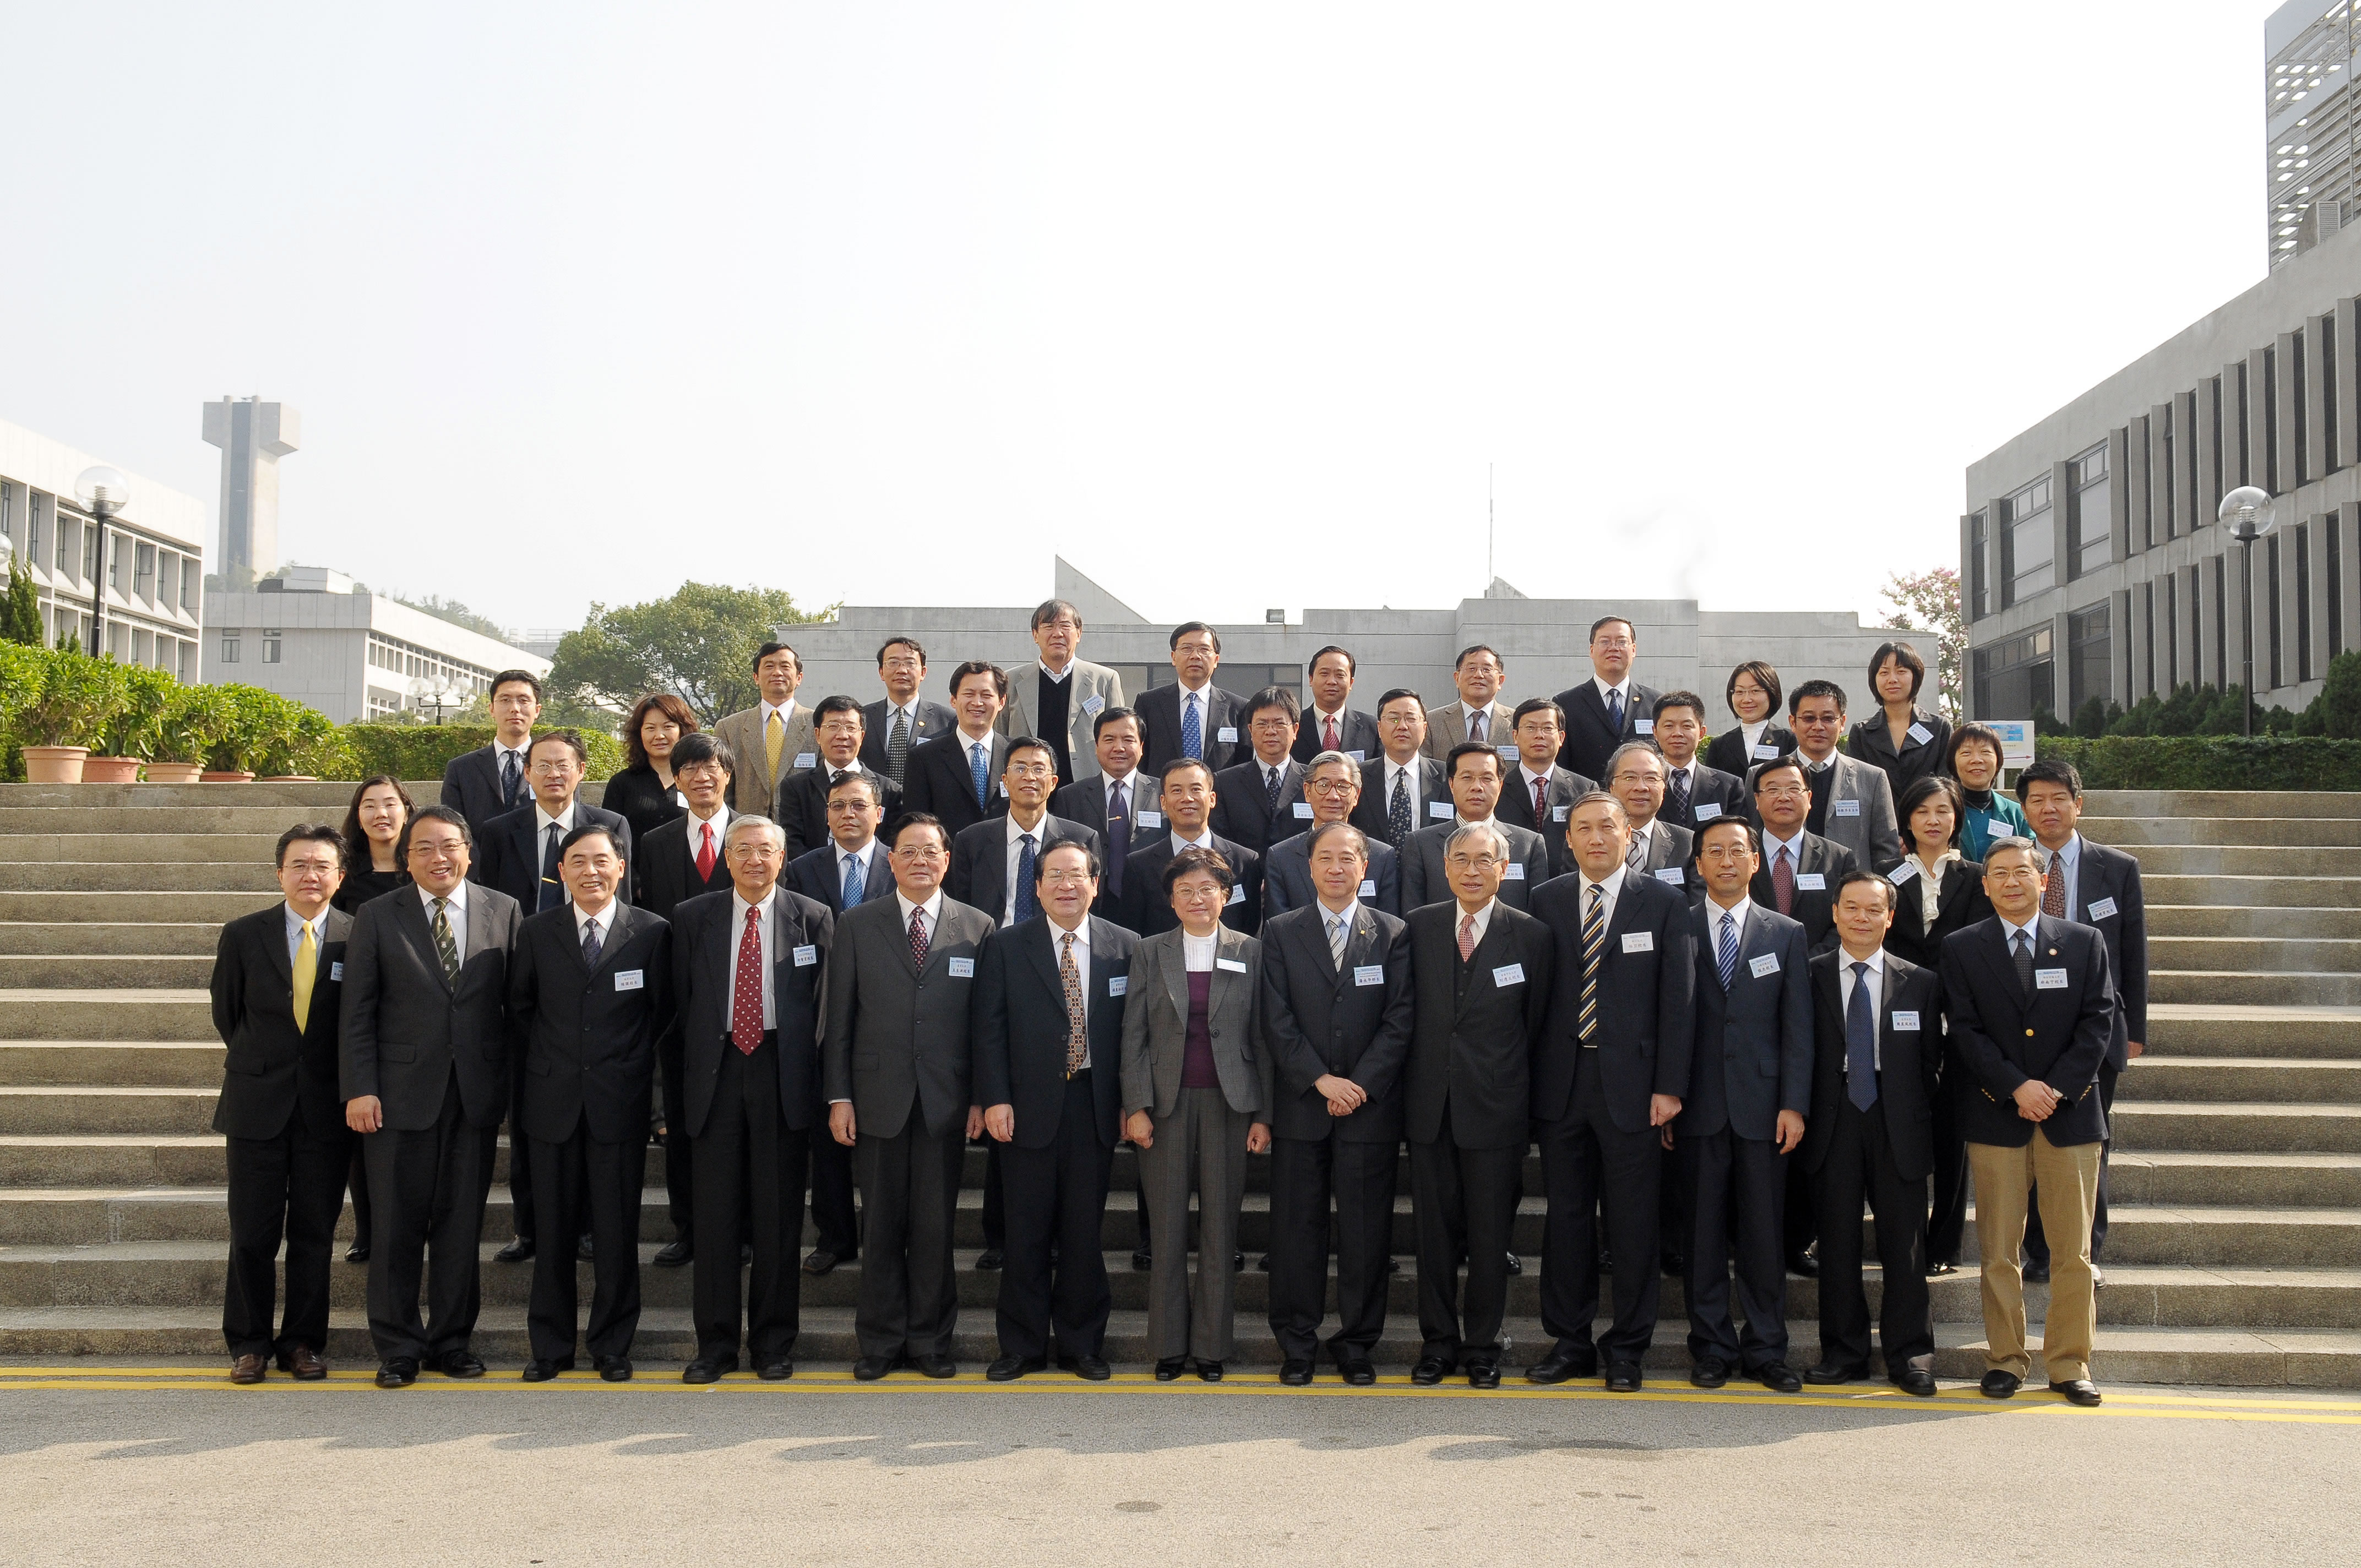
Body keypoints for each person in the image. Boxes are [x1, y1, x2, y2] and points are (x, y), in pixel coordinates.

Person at [340, 804, 524, 1389]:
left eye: (448, 846)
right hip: (396, 1097)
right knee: (395, 1225)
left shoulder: (504, 910)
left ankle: (452, 1340)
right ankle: (397, 1346)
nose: (438, 858)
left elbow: (515, 1010)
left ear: (468, 851)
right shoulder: (376, 914)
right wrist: (360, 1087)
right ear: (406, 857)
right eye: (423, 848)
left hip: (473, 1096)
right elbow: (357, 1012)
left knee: (459, 1224)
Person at [1527, 792, 1696, 1391]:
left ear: (1630, 834)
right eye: (1583, 828)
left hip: (1635, 1089)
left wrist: (1670, 1088)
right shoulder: (1544, 899)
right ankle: (1569, 1341)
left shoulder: (1665, 901)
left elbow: (1679, 1001)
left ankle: (1627, 1347)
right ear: (1567, 839)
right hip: (1561, 1086)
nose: (1596, 837)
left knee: (1631, 1223)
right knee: (1566, 1220)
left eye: (1607, 827)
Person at [1940, 837, 2117, 1407]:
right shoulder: (1963, 947)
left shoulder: (2084, 942)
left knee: (2073, 1252)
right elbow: (1964, 1030)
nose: (2011, 881)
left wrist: (2055, 1089)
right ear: (1985, 884)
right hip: (1997, 1115)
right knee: (1997, 1249)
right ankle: (2005, 1359)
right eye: (1999, 874)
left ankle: (2069, 1363)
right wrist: (2015, 1086)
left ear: (2044, 881)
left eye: (2022, 872)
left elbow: (2098, 1023)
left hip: (2070, 1119)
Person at [824, 814, 994, 1379]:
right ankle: (878, 1342)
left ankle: (929, 1342)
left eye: (931, 851)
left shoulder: (977, 926)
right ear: (890, 860)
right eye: (909, 851)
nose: (920, 860)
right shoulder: (856, 923)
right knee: (880, 1227)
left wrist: (979, 1096)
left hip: (946, 1103)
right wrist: (839, 1097)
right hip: (875, 1098)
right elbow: (838, 1020)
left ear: (947, 860)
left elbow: (983, 1025)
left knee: (934, 1228)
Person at [671, 816, 836, 1382]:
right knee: (715, 1219)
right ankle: (714, 1345)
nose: (753, 860)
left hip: (780, 1073)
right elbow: (679, 1010)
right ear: (727, 857)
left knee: (778, 1217)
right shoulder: (693, 918)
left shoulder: (812, 917)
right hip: (714, 1076)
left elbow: (824, 1011)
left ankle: (772, 1342)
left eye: (765, 850)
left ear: (783, 855)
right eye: (742, 849)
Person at [507, 824, 670, 1382]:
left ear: (621, 867)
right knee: (551, 1232)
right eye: (578, 861)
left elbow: (662, 1020)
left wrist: (653, 1102)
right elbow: (521, 1013)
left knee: (617, 1232)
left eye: (602, 860)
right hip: (551, 1105)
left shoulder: (651, 932)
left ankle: (611, 1345)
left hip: (618, 1104)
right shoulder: (535, 932)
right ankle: (549, 1346)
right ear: (561, 871)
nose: (591, 871)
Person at [1258, 821, 1414, 1385]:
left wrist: (1360, 1084)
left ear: (1364, 867)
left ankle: (1356, 1343)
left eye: (1349, 858)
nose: (1337, 868)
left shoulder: (1393, 932)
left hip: (1369, 1110)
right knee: (1295, 1232)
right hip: (1303, 1105)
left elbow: (1400, 1020)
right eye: (1326, 858)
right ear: (1309, 866)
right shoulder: (1280, 931)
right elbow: (1274, 1018)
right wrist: (1320, 1079)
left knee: (1366, 1233)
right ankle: (1297, 1343)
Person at [975, 841, 1138, 1380]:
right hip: (1025, 1107)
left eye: (1077, 875)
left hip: (1093, 1105)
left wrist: (1128, 1103)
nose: (1067, 885)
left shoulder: (1125, 946)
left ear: (1095, 883)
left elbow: (1134, 1037)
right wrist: (995, 1096)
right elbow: (989, 1028)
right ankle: (1020, 1346)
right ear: (1038, 887)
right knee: (1024, 1232)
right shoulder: (1006, 945)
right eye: (1054, 876)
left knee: (1083, 1233)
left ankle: (1081, 1344)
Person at [1403, 822, 1552, 1388]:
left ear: (1503, 868)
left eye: (1483, 860)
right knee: (1433, 1237)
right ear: (1445, 869)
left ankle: (1482, 1346)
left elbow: (1534, 1025)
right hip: (1429, 1108)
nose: (1471, 869)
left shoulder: (1531, 936)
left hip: (1496, 1109)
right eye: (1460, 859)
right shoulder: (1417, 928)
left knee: (1490, 1238)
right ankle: (1437, 1344)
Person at [476, 729, 632, 1265]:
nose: (553, 774)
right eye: (542, 765)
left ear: (582, 769)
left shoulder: (610, 828)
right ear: (527, 772)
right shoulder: (499, 832)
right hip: (521, 987)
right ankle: (529, 1227)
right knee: (529, 1117)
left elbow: (623, 913)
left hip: (591, 984)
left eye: (563, 764)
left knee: (589, 1120)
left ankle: (587, 1226)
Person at [1120, 848, 1270, 1382]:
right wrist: (1135, 1106)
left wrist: (1262, 1114)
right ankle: (1167, 1347)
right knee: (1165, 1231)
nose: (1196, 898)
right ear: (1171, 899)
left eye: (1207, 888)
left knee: (1219, 1232)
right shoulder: (1149, 951)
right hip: (1165, 1107)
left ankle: (1210, 1348)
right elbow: (1133, 1034)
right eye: (1185, 890)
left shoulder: (1251, 950)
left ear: (1226, 895)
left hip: (1231, 1106)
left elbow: (1263, 1036)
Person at [211, 824, 353, 1384]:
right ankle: (248, 1342)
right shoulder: (244, 934)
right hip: (256, 1103)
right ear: (280, 873)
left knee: (315, 1233)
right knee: (252, 1231)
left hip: (325, 1109)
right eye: (299, 865)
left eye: (322, 866)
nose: (310, 875)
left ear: (340, 876)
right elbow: (228, 1014)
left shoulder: (357, 935)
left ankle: (302, 1342)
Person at [1676, 816, 1811, 1393]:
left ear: (1756, 861)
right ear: (1699, 865)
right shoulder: (1674, 926)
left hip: (1764, 1108)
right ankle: (1709, 1346)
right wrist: (1669, 1098)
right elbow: (1667, 1022)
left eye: (1738, 851)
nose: (1727, 861)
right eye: (1715, 852)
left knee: (1762, 1235)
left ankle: (1765, 1347)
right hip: (1697, 1106)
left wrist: (1794, 1103)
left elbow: (1798, 1026)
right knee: (1702, 1236)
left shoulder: (1786, 932)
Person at [1802, 870, 1944, 1397]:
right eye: (1852, 908)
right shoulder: (1809, 975)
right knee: (1837, 1242)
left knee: (1904, 1246)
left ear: (1890, 917)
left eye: (1873, 910)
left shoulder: (1920, 982)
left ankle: (1911, 1356)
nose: (1862, 919)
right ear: (1835, 913)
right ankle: (1843, 1353)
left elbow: (1932, 1062)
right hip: (1833, 1117)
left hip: (1897, 1120)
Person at [2016, 758, 2147, 1287]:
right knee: (2029, 1143)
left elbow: (2132, 953)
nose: (2048, 809)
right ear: (2023, 810)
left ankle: (2085, 1253)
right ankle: (2040, 1252)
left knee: (2091, 1144)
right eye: (2036, 800)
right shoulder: (2007, 866)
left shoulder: (2116, 868)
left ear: (2078, 803)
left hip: (2097, 1028)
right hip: (2026, 1025)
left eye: (2058, 798)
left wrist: (2134, 1029)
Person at [633, 732, 738, 1271]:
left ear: (727, 774)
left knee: (737, 1128)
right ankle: (687, 1228)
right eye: (689, 769)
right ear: (676, 779)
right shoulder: (654, 843)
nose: (701, 778)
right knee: (681, 1122)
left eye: (711, 768)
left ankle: (738, 1232)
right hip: (679, 1008)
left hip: (742, 1006)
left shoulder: (754, 836)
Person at [780, 769, 890, 1276]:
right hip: (824, 1016)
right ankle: (834, 1236)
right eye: (839, 806)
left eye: (859, 805)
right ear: (826, 815)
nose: (849, 814)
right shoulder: (803, 869)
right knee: (828, 1139)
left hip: (890, 1018)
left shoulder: (903, 861)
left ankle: (886, 1237)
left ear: (878, 813)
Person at [1883, 773, 1988, 1276]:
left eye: (1943, 811)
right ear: (1908, 819)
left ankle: (1945, 1243)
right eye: (1922, 811)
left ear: (1956, 820)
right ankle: (1899, 1238)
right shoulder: (1885, 878)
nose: (1933, 820)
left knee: (1953, 1136)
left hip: (1961, 1018)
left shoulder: (1976, 877)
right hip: (1899, 1018)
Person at [948, 737, 1103, 927]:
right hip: (991, 946)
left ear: (1054, 782)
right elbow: (961, 910)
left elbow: (1089, 909)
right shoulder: (971, 841)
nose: (1029, 777)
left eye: (1039, 769)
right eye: (1020, 768)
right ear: (1005, 781)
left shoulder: (1082, 839)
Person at [1117, 758, 1263, 939]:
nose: (1187, 798)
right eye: (1177, 791)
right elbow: (1133, 937)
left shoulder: (1245, 861)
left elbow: (1252, 932)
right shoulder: (1139, 866)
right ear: (1163, 802)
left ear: (1212, 799)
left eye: (1196, 789)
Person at [1400, 744, 1550, 912]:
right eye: (1467, 777)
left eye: (1487, 778)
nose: (1477, 787)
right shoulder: (1421, 844)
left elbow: (1537, 917)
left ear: (1500, 785)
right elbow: (1413, 918)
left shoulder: (1529, 845)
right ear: (1451, 784)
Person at [995, 598, 1126, 786]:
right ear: (1035, 635)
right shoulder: (1011, 682)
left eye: (1065, 626)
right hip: (1029, 786)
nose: (1057, 634)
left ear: (1079, 633)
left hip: (1086, 786)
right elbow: (999, 740)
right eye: (1048, 627)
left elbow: (1118, 738)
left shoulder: (1105, 680)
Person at [1264, 750, 1403, 918]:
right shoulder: (1281, 857)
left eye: (1343, 786)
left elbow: (1386, 928)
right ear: (1307, 792)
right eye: (1323, 785)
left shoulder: (1382, 856)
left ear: (1356, 795)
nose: (1333, 796)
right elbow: (1279, 930)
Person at [1784, 680, 1903, 873]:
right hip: (1787, 891)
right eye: (1808, 718)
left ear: (1842, 723)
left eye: (1828, 718)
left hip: (1853, 896)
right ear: (1793, 723)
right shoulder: (1764, 776)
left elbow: (1886, 851)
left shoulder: (1873, 779)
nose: (1818, 727)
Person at [1049, 706, 1160, 910]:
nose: (1119, 748)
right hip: (1092, 903)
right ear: (1097, 746)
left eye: (1128, 740)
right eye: (1109, 740)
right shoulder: (1071, 796)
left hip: (1151, 900)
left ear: (1142, 746)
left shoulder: (1163, 792)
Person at [775, 694, 901, 859]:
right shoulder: (796, 788)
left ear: (862, 736)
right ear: (818, 735)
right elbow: (792, 842)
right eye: (833, 726)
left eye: (850, 728)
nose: (842, 735)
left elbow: (892, 844)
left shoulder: (890, 791)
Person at [901, 660, 1013, 838]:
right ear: (953, 700)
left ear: (1001, 701)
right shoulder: (924, 758)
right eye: (969, 694)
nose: (977, 703)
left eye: (986, 695)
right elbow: (916, 824)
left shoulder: (1016, 755)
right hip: (949, 861)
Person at [1493, 698, 1596, 878]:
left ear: (1561, 737)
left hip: (1569, 885)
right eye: (1531, 728)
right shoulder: (1497, 788)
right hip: (1512, 886)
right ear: (1515, 736)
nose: (1539, 735)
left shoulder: (1585, 790)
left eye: (1548, 728)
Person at [711, 641, 818, 812]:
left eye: (785, 666)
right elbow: (723, 791)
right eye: (769, 666)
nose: (777, 672)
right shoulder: (729, 728)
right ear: (756, 678)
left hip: (801, 830)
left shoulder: (818, 723)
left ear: (799, 678)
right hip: (747, 829)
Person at [439, 669, 543, 840]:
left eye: (524, 700)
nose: (515, 708)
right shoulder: (461, 769)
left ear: (537, 710)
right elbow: (453, 830)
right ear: (492, 709)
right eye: (505, 700)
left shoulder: (555, 767)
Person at [1554, 618, 1662, 784]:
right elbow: (1561, 767)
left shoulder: (1657, 703)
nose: (1613, 648)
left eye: (1621, 642)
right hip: (1589, 802)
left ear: (1633, 650)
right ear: (1592, 650)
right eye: (1605, 642)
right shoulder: (1566, 704)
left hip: (1643, 800)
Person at [1847, 641, 1954, 802]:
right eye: (1884, 673)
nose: (1892, 679)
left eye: (1901, 671)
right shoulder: (1861, 732)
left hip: (1927, 822)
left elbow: (1947, 784)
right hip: (1878, 824)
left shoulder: (1939, 728)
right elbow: (1857, 788)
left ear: (1915, 676)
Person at [1210, 687, 1309, 859]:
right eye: (1262, 724)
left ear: (1295, 730)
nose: (1270, 731)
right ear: (1250, 730)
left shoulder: (1314, 780)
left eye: (1279, 723)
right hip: (1245, 879)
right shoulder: (1225, 783)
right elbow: (1222, 843)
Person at [1137, 622, 1248, 773]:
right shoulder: (1148, 704)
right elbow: (1139, 759)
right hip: (1163, 794)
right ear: (1173, 657)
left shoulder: (1239, 708)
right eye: (1187, 649)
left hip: (1219, 795)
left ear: (1216, 660)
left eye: (1204, 649)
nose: (1195, 656)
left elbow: (1244, 764)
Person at [1352, 689, 1447, 850]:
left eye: (1411, 719)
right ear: (1380, 728)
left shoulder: (1446, 776)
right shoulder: (1358, 776)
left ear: (1424, 728)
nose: (1402, 726)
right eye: (1394, 719)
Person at [601, 693, 698, 845]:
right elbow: (608, 839)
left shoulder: (698, 780)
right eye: (650, 728)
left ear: (682, 730)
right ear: (639, 733)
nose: (659, 736)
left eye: (668, 727)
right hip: (634, 868)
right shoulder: (621, 784)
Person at [862, 636, 957, 791]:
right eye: (893, 663)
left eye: (910, 663)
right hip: (875, 807)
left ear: (923, 672)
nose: (902, 670)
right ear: (881, 672)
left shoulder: (948, 720)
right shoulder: (863, 717)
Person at [1650, 692, 1749, 836]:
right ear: (1655, 733)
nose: (1677, 733)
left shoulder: (1729, 787)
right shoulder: (1644, 785)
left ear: (1702, 733)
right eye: (1669, 726)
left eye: (1687, 726)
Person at [1606, 742, 1695, 896]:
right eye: (1630, 778)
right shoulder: (1591, 840)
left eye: (1651, 778)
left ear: (1664, 788)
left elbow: (1694, 906)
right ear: (1611, 788)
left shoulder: (1688, 842)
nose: (1641, 787)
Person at [1420, 645, 1516, 761]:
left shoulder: (1517, 721)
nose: (1479, 675)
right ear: (1457, 678)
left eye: (1487, 670)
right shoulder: (1432, 722)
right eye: (1471, 669)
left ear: (1500, 681)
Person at [1702, 660, 1796, 777]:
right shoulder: (1719, 745)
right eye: (1740, 691)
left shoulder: (1789, 740)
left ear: (1772, 693)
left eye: (1755, 691)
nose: (1746, 699)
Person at [335, 776, 415, 914]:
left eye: (390, 805)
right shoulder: (343, 874)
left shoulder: (423, 869)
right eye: (370, 806)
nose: (381, 814)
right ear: (358, 818)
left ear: (406, 814)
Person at [1949, 723, 2030, 859]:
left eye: (1985, 752)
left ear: (1998, 760)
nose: (1976, 760)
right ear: (1953, 762)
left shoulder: (2017, 814)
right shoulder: (1943, 810)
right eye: (1966, 753)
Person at [1293, 645, 1380, 763]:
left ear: (1351, 683)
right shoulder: (1293, 725)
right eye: (1324, 674)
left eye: (1340, 675)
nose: (1332, 682)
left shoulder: (1371, 727)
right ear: (1311, 679)